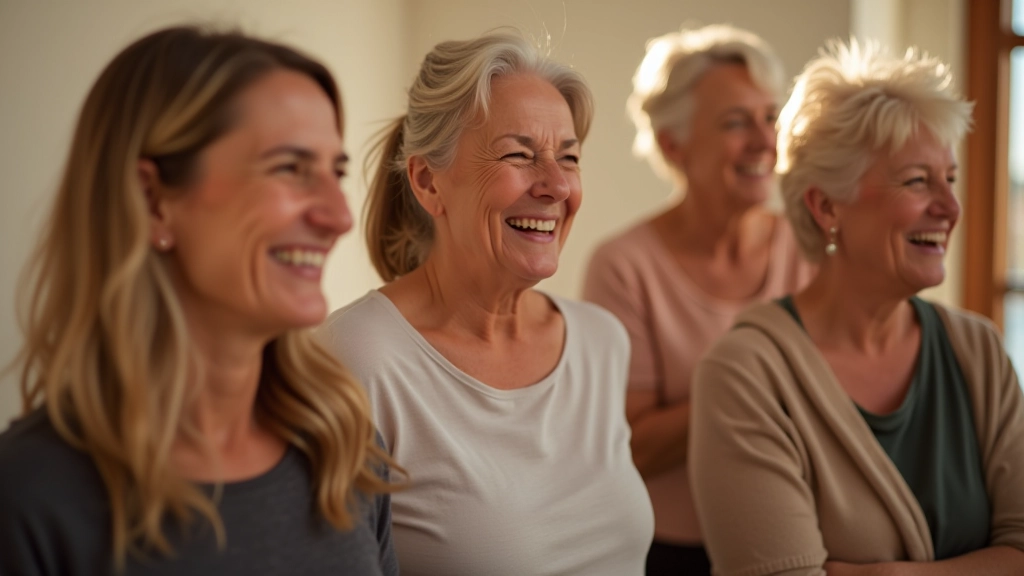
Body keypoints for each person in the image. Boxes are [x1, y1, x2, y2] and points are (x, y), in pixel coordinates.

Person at [0, 26, 398, 576]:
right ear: (153, 201)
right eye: (290, 168)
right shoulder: (27, 497)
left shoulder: (346, 450)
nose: (339, 216)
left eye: (336, 172)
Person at [317, 31, 653, 576]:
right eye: (520, 155)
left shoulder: (602, 342)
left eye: (568, 158)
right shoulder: (355, 358)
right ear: (428, 183)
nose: (555, 186)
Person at [689, 39, 1024, 576]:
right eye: (917, 180)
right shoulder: (744, 374)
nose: (951, 207)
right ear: (825, 206)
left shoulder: (977, 349)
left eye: (951, 179)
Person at [582, 24, 815, 575]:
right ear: (672, 144)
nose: (765, 141)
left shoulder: (807, 247)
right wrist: (752, 384)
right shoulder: (623, 266)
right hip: (668, 552)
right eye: (736, 122)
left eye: (769, 117)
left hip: (795, 532)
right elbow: (630, 443)